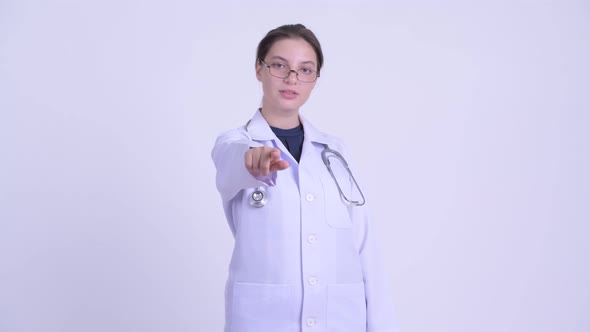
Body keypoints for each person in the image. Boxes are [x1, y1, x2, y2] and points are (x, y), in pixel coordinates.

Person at [211, 23, 396, 332]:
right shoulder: (235, 143)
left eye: (305, 69)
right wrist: (252, 162)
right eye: (279, 65)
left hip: (340, 319)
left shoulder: (335, 152)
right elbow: (233, 163)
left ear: (315, 79)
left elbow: (364, 246)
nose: (292, 78)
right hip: (265, 321)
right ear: (259, 69)